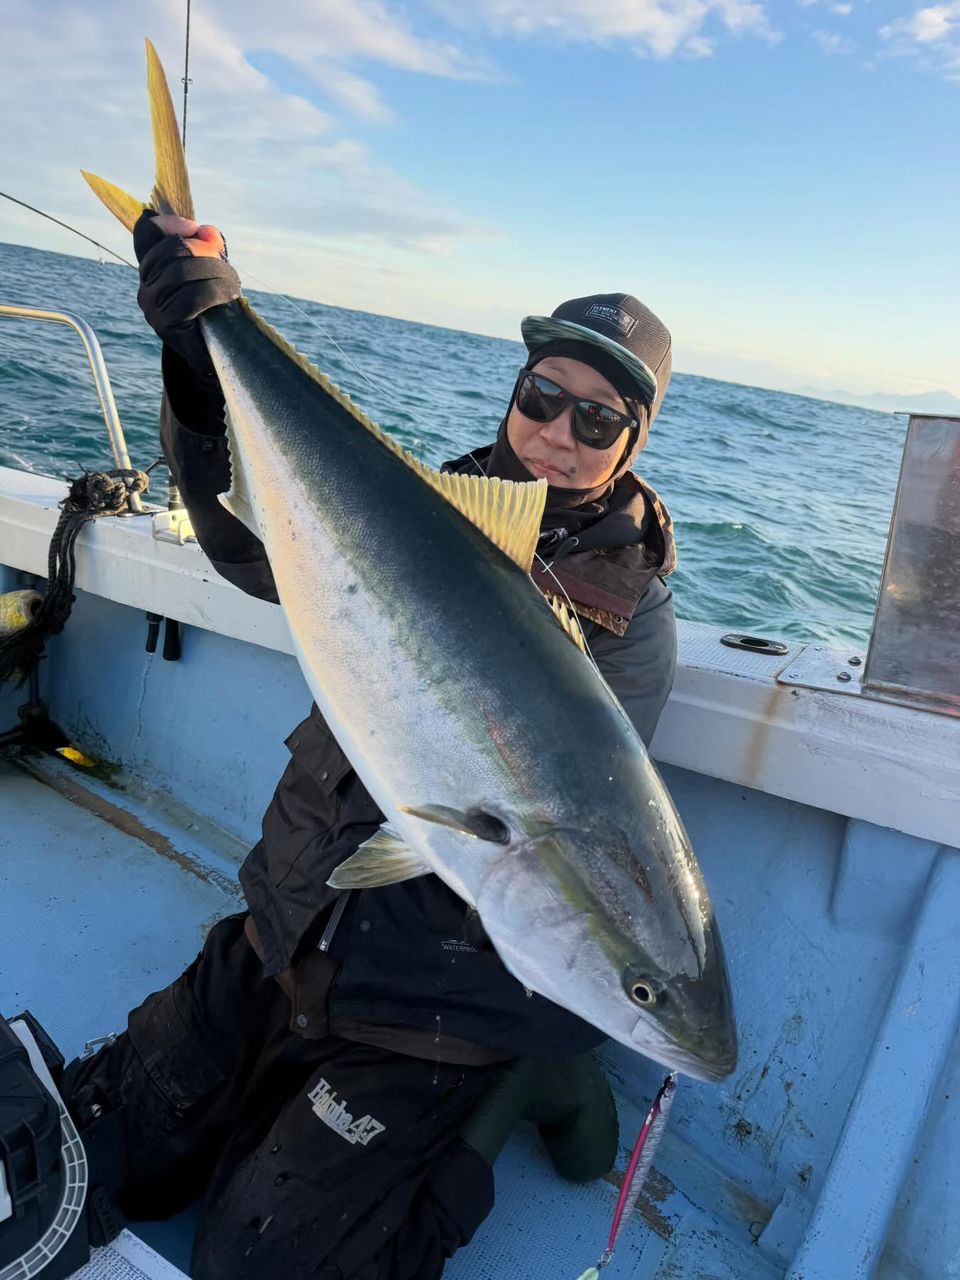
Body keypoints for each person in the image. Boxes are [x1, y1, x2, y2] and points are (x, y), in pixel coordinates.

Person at [65, 213, 678, 1280]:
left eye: (597, 419)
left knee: (259, 1263)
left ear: (632, 442)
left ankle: (506, 1096)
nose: (556, 433)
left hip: (424, 1016)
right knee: (103, 1152)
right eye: (542, 396)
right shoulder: (414, 497)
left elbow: (573, 819)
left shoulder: (631, 623)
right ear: (513, 391)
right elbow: (243, 547)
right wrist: (195, 351)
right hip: (281, 928)